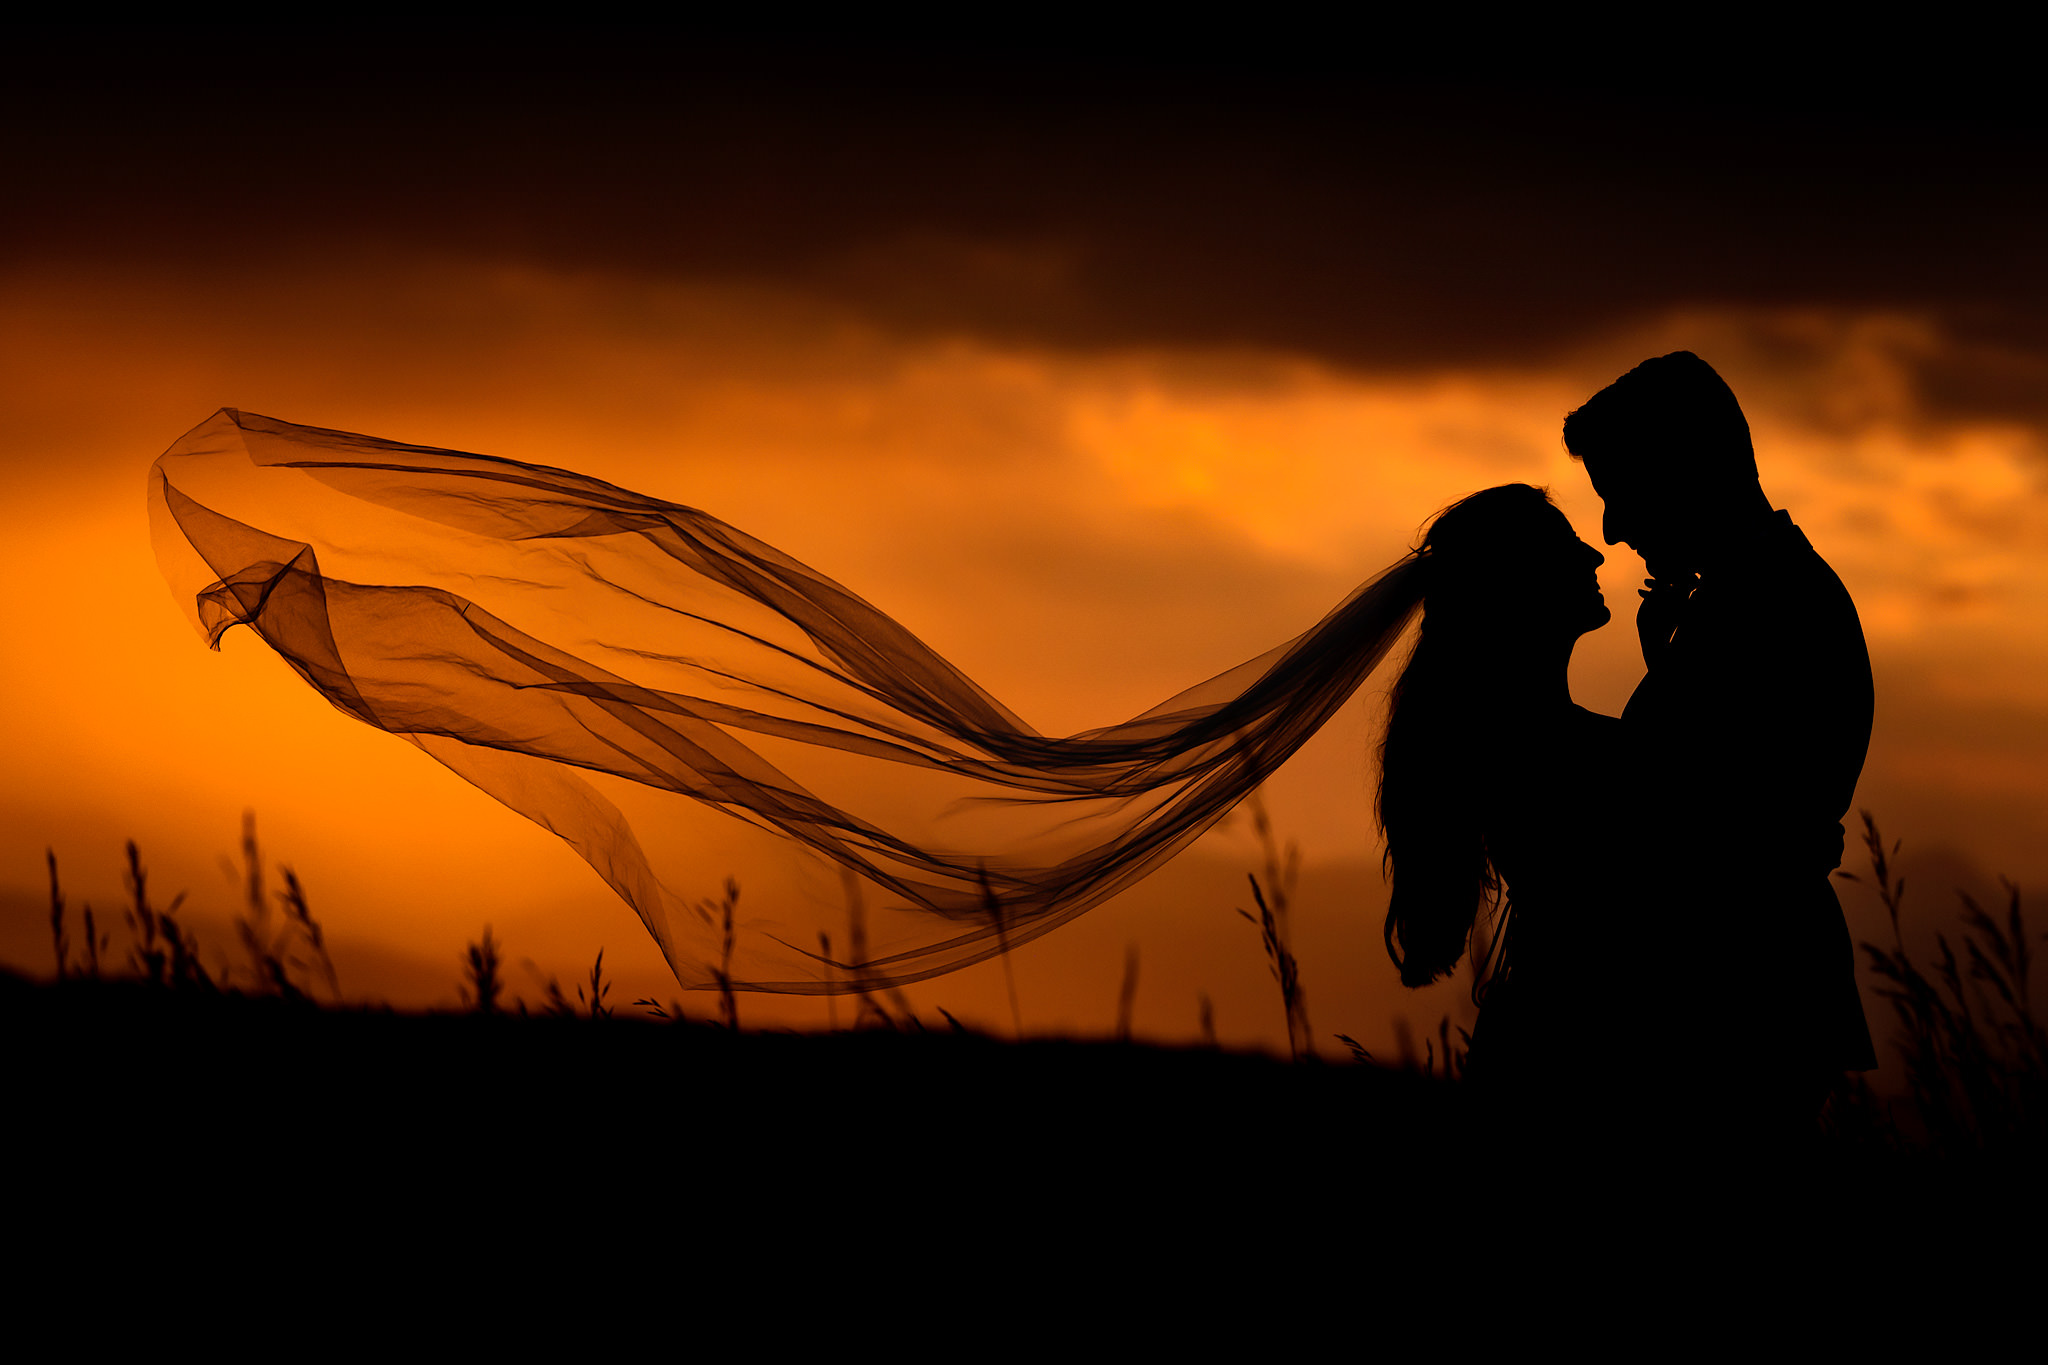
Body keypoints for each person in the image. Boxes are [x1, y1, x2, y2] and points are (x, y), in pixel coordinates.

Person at [1564, 352, 1877, 1140]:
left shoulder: (1772, 606)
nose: (1610, 526)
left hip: (1744, 999)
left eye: (1618, 490)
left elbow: (1700, 811)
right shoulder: (1757, 597)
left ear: (1680, 470)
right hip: (1759, 987)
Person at [1376, 484, 1634, 1119]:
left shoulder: (1501, 726)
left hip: (1549, 1036)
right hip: (1576, 1054)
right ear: (1522, 584)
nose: (1595, 559)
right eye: (1571, 548)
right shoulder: (1528, 736)